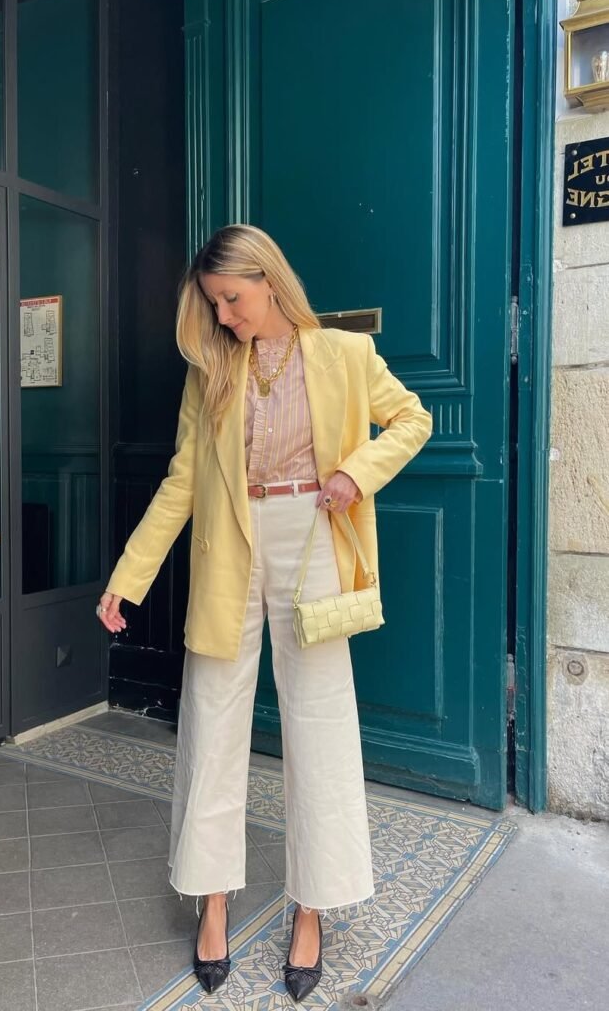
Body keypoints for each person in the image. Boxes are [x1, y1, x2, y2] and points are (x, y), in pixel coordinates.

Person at [97, 224, 432, 1001]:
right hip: (228, 548)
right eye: (213, 304)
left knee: (318, 722)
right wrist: (129, 576)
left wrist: (356, 469)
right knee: (212, 721)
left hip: (313, 535)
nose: (223, 316)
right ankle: (211, 900)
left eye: (231, 298)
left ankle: (309, 909)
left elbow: (413, 419)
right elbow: (183, 481)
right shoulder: (212, 370)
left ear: (267, 280)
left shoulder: (343, 355)